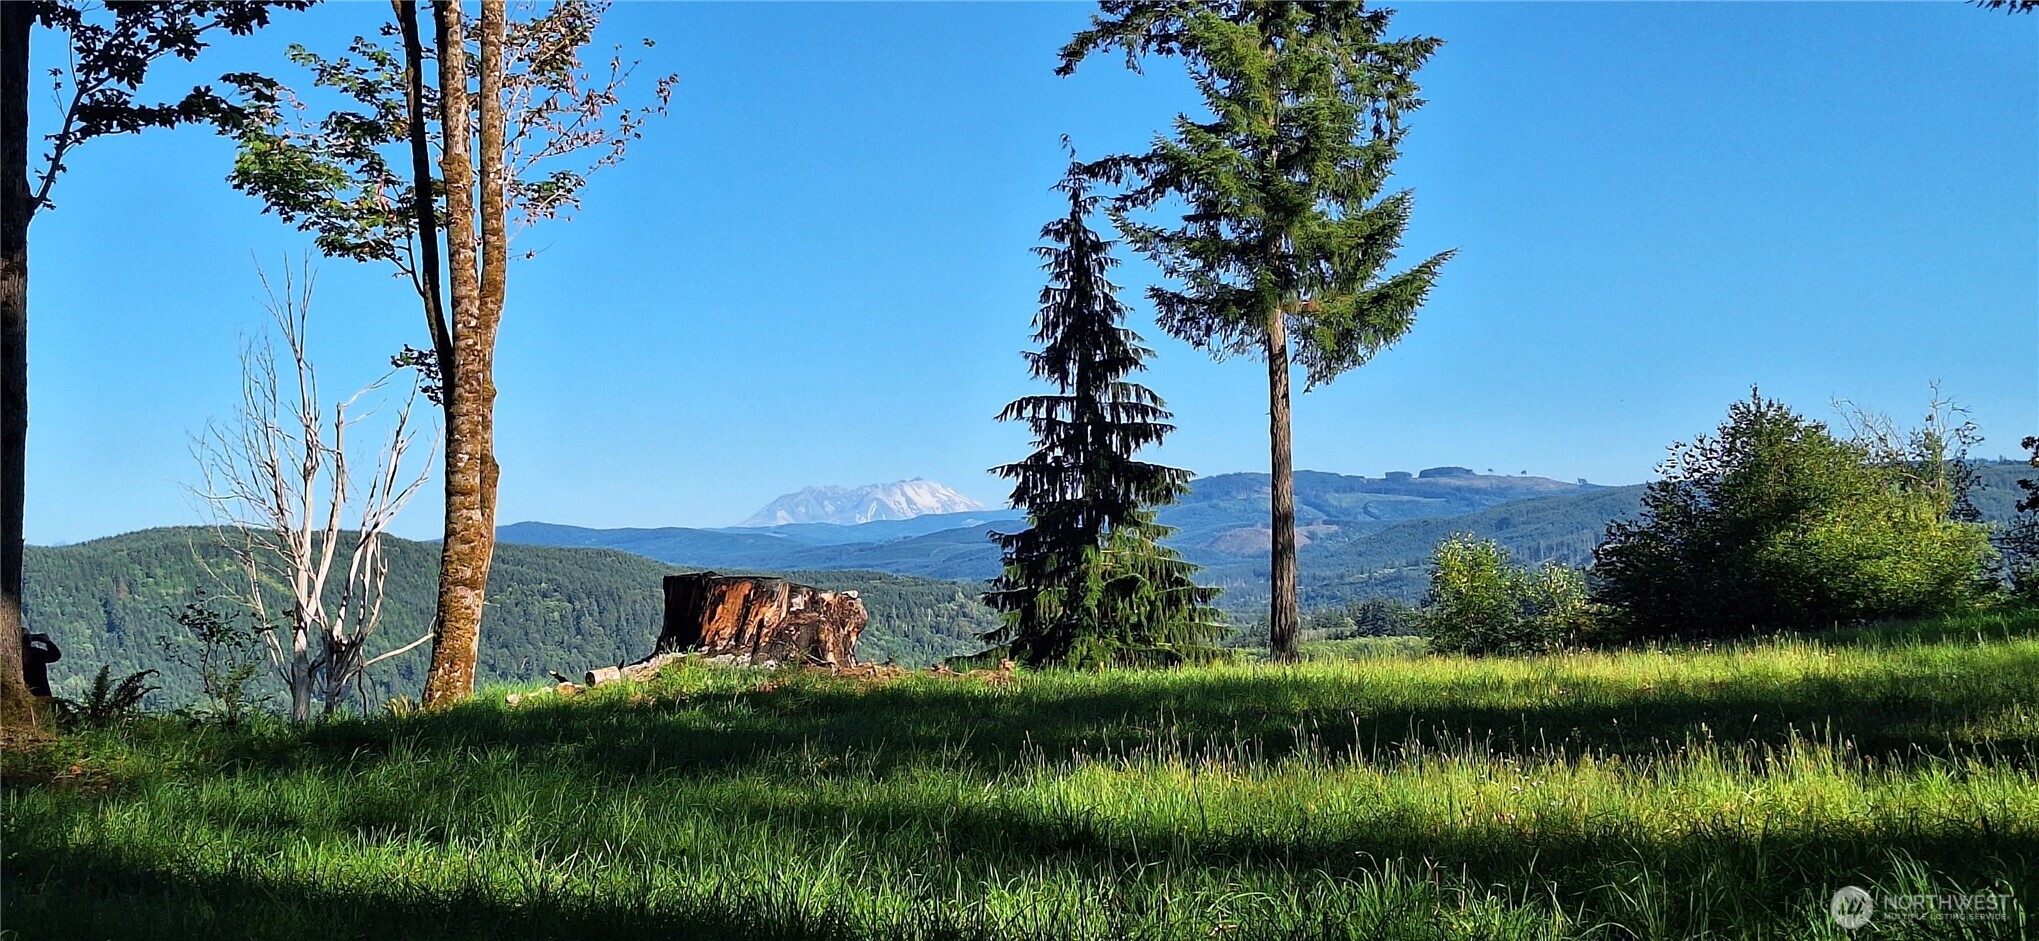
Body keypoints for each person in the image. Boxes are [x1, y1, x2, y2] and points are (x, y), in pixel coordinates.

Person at [22, 632, 60, 697]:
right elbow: (56, 655)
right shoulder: (36, 654)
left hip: (26, 690)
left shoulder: (17, 654)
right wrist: (47, 642)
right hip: (42, 689)